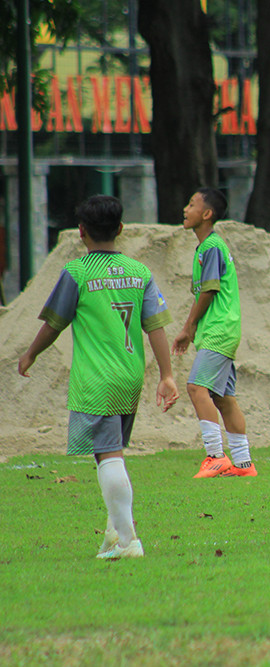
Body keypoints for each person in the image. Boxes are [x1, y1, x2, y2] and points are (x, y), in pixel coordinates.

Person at [18, 195, 179, 559]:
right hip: (130, 375)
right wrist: (166, 375)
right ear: (120, 229)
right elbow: (155, 327)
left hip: (97, 379)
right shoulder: (140, 272)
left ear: (81, 232)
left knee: (108, 456)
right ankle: (112, 533)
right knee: (110, 454)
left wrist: (30, 354)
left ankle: (128, 541)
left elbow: (54, 324)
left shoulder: (77, 273)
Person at [172, 188, 256, 478]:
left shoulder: (210, 247)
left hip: (218, 330)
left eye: (192, 204)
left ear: (207, 214)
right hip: (223, 330)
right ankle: (244, 465)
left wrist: (188, 327)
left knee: (196, 388)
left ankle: (215, 456)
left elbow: (209, 289)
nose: (185, 208)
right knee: (223, 398)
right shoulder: (210, 246)